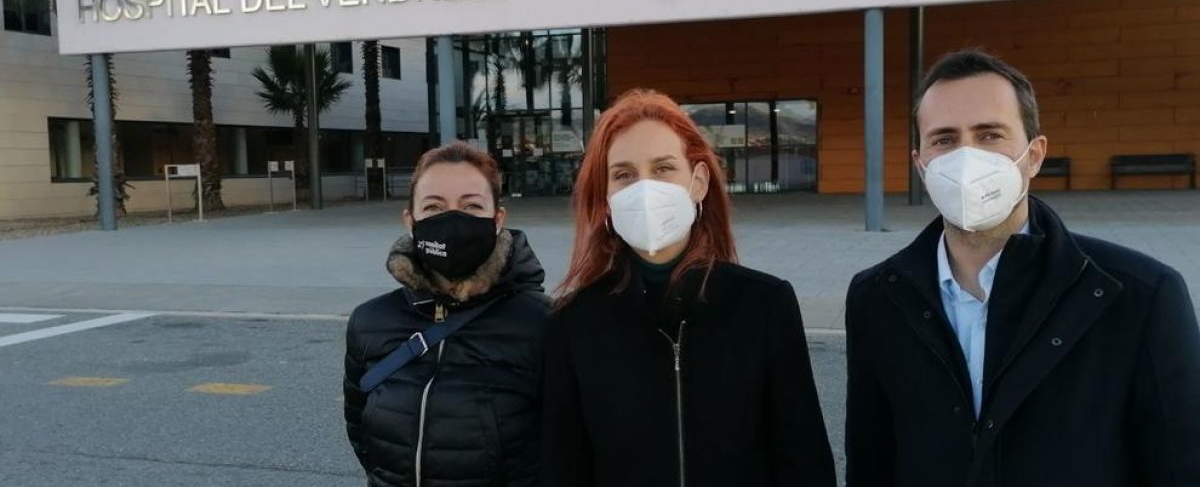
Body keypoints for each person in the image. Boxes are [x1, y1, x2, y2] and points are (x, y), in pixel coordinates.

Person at [845, 49, 1200, 486]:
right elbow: (872, 460)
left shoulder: (1139, 295)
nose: (966, 158)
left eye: (990, 135)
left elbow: (1182, 465)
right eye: (944, 140)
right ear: (921, 163)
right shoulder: (877, 297)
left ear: (1034, 155)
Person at [541, 89, 836, 487]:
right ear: (607, 199)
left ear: (697, 183)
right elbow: (563, 467)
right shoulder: (573, 322)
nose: (644, 189)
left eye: (663, 168)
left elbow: (803, 458)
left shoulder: (764, 306)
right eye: (624, 174)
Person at [343, 142, 550, 487]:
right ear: (411, 221)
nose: (452, 220)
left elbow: (562, 451)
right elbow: (361, 433)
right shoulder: (370, 322)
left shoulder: (543, 323)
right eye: (434, 207)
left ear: (498, 220)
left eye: (471, 206)